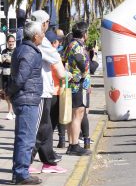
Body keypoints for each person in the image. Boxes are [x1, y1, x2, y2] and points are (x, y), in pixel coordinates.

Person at [29, 11, 70, 172]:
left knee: (45, 127)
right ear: (43, 23)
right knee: (39, 128)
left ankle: (48, 161)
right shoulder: (41, 40)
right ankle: (26, 162)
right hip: (40, 90)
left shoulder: (32, 39)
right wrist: (68, 74)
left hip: (44, 89)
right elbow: (56, 62)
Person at [8, 21, 45, 184]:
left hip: (25, 97)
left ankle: (19, 172)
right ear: (35, 36)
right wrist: (9, 92)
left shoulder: (23, 49)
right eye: (42, 33)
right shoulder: (29, 52)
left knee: (22, 137)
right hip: (27, 98)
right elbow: (20, 78)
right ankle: (21, 173)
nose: (44, 36)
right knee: (26, 137)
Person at [63, 21, 92, 156]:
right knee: (77, 114)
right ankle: (74, 145)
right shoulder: (77, 46)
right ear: (84, 34)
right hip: (78, 85)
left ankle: (71, 144)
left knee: (74, 115)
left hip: (74, 85)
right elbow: (81, 63)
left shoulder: (70, 44)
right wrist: (86, 72)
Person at [1, 34, 16, 119]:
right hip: (5, 75)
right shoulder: (4, 51)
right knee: (6, 95)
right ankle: (12, 111)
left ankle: (10, 111)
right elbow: (1, 61)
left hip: (13, 75)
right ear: (7, 42)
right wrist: (2, 60)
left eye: (12, 41)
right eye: (9, 41)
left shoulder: (17, 50)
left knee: (11, 94)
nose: (11, 43)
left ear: (14, 42)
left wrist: (11, 60)